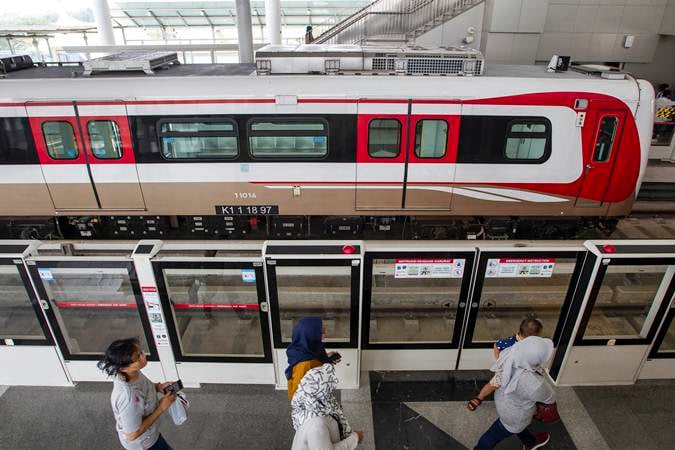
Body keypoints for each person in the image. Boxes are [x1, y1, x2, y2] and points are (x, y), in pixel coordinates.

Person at [474, 336, 556, 450]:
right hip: (515, 415)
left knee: (515, 427)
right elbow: (550, 398)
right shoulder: (534, 383)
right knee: (491, 436)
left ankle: (531, 443)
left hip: (502, 402)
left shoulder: (509, 353)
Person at [98, 338, 176, 450]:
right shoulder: (127, 398)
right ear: (123, 368)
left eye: (141, 352)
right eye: (138, 357)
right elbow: (132, 434)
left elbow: (144, 387)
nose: (143, 356)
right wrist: (161, 408)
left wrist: (158, 387)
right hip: (144, 444)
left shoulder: (133, 373)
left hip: (152, 435)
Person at [468, 318, 544, 411]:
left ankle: (480, 397)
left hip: (522, 370)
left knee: (496, 385)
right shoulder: (511, 342)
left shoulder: (524, 342)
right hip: (506, 370)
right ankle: (480, 397)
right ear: (532, 337)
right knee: (493, 384)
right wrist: (498, 360)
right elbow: (497, 345)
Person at [291, 363, 364, 450]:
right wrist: (355, 439)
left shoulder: (310, 405)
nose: (331, 390)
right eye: (328, 388)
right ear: (320, 391)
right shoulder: (316, 425)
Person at [286, 316, 340, 400]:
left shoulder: (310, 348)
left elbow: (317, 363)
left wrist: (327, 359)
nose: (326, 331)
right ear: (311, 334)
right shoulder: (303, 365)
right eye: (321, 331)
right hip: (312, 405)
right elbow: (295, 396)